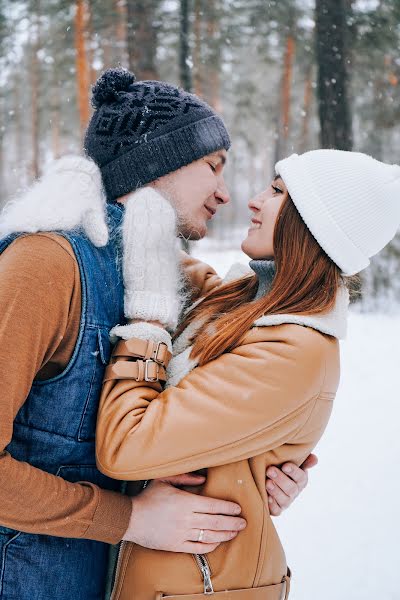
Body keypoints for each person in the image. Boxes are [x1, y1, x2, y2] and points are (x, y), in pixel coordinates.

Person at [0, 68, 310, 600]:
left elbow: (173, 422)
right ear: (157, 158)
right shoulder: (46, 264)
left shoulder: (164, 275)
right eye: (214, 166)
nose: (225, 192)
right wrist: (127, 519)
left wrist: (261, 472)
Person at [96, 149, 400, 600]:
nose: (255, 200)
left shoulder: (295, 351)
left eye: (277, 191)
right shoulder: (245, 302)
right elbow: (165, 256)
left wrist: (147, 324)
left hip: (195, 584)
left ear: (312, 224)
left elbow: (126, 445)